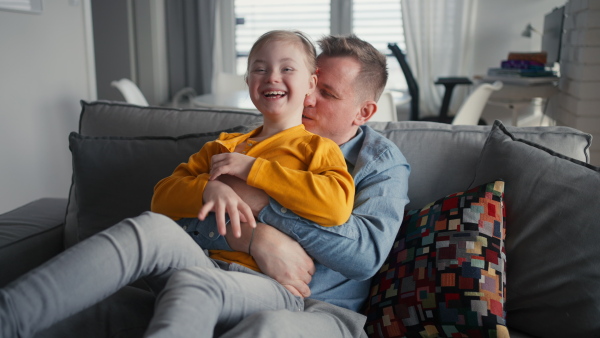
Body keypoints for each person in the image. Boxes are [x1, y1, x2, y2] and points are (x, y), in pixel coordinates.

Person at [17, 34, 410, 337]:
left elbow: (362, 256)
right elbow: (177, 213)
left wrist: (261, 205)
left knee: (264, 328)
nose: (309, 100)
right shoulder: (240, 143)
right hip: (220, 272)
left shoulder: (378, 162)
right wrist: (252, 236)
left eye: (327, 93)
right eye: (313, 85)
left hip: (318, 305)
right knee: (135, 254)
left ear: (364, 112)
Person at [151, 29, 354, 275]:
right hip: (198, 262)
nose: (272, 77)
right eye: (260, 69)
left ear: (310, 84)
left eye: (287, 69)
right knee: (140, 231)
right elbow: (160, 199)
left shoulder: (318, 148)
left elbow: (336, 207)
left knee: (193, 290)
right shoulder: (221, 147)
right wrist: (208, 189)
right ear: (248, 81)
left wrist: (251, 168)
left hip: (257, 278)